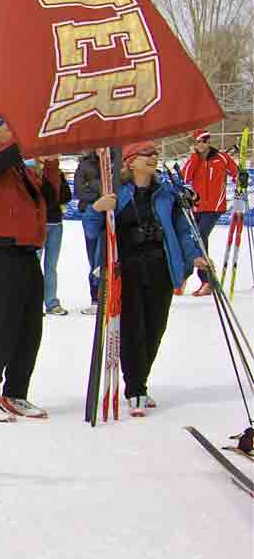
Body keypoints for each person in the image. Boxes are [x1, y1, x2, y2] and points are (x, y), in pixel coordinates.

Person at [89, 141, 209, 413]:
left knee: (155, 328)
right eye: (147, 154)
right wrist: (97, 208)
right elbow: (92, 228)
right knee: (134, 329)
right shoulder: (117, 193)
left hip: (160, 268)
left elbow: (181, 228)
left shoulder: (166, 193)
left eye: (155, 153)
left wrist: (194, 255)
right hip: (128, 269)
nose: (153, 157)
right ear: (131, 161)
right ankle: (135, 387)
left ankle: (140, 379)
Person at [0, 109, 48, 423]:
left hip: (27, 253)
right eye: (7, 127)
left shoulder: (21, 170)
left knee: (30, 327)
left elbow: (55, 200)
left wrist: (50, 165)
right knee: (2, 325)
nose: (13, 130)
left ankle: (16, 391)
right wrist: (30, 140)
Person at [180, 129, 238, 295]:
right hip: (196, 207)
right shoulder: (194, 160)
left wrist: (240, 179)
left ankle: (207, 281)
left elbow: (236, 172)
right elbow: (185, 178)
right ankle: (186, 275)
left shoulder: (222, 158)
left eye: (203, 141)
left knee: (200, 236)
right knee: (192, 239)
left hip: (215, 207)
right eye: (197, 142)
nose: (200, 145)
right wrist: (194, 157)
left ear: (208, 141)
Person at [34, 156, 71, 317]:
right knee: (34, 266)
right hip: (39, 224)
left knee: (51, 267)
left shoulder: (59, 174)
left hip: (56, 224)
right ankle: (34, 303)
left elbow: (66, 196)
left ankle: (51, 302)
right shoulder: (34, 173)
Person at [74, 149, 108, 314]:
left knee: (108, 256)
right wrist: (100, 193)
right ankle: (95, 298)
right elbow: (79, 191)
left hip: (111, 212)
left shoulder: (114, 161)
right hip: (92, 212)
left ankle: (109, 296)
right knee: (94, 257)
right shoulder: (85, 164)